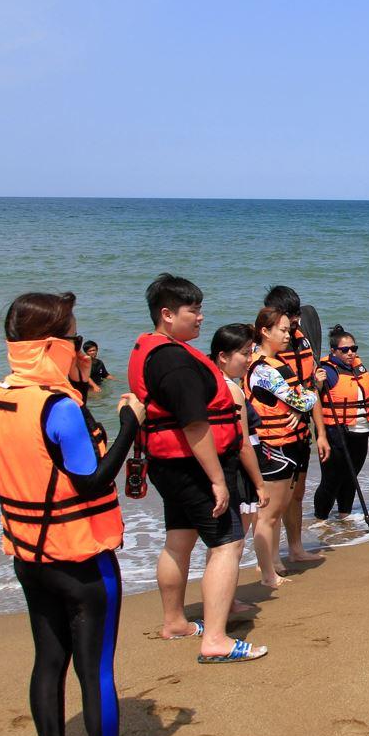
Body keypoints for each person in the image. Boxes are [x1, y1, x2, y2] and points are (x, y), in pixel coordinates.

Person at [0, 291, 143, 736]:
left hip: (28, 556)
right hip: (83, 560)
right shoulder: (60, 409)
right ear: (50, 345)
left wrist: (79, 385)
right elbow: (91, 480)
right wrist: (129, 426)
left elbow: (42, 455)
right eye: (73, 338)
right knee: (95, 668)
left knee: (48, 661)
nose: (79, 347)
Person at [127, 274, 265, 663]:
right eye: (194, 310)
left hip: (169, 466)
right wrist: (219, 481)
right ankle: (216, 640)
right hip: (194, 466)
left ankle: (175, 622)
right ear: (167, 315)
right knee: (227, 543)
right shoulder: (175, 362)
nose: (202, 317)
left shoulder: (155, 351)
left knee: (179, 539)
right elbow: (194, 425)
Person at [248, 307, 327, 579]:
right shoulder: (262, 368)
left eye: (288, 329)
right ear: (265, 331)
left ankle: (274, 562)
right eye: (282, 330)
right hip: (273, 445)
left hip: (289, 442)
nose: (287, 335)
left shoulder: (274, 363)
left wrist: (301, 399)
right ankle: (269, 570)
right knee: (269, 512)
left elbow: (297, 399)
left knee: (278, 508)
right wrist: (310, 390)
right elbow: (301, 400)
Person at [210, 324, 270, 560]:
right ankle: (227, 597)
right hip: (236, 470)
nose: (249, 360)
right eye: (245, 353)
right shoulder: (232, 390)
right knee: (233, 542)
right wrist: (260, 484)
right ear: (223, 357)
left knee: (222, 541)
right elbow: (243, 441)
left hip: (220, 467)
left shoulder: (211, 382)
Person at [315, 325, 369, 521]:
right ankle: (320, 520)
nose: (350, 353)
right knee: (331, 480)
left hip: (361, 431)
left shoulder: (359, 369)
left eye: (353, 349)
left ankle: (344, 516)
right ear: (333, 351)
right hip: (335, 432)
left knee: (351, 477)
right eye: (345, 350)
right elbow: (313, 395)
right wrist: (317, 382)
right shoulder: (327, 371)